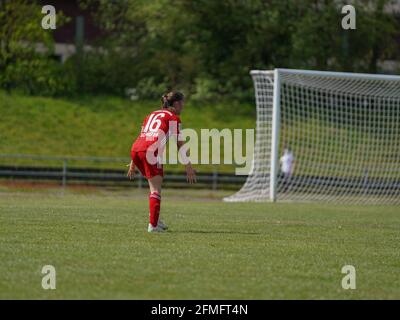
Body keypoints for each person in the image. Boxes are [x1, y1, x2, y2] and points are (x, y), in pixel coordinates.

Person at [127, 91, 197, 233]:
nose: (183, 106)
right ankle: (153, 226)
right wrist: (188, 165)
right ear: (176, 103)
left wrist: (133, 162)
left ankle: (156, 220)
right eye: (182, 103)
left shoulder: (151, 115)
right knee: (155, 190)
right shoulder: (174, 118)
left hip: (136, 149)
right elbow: (180, 144)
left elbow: (143, 136)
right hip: (151, 151)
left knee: (153, 186)